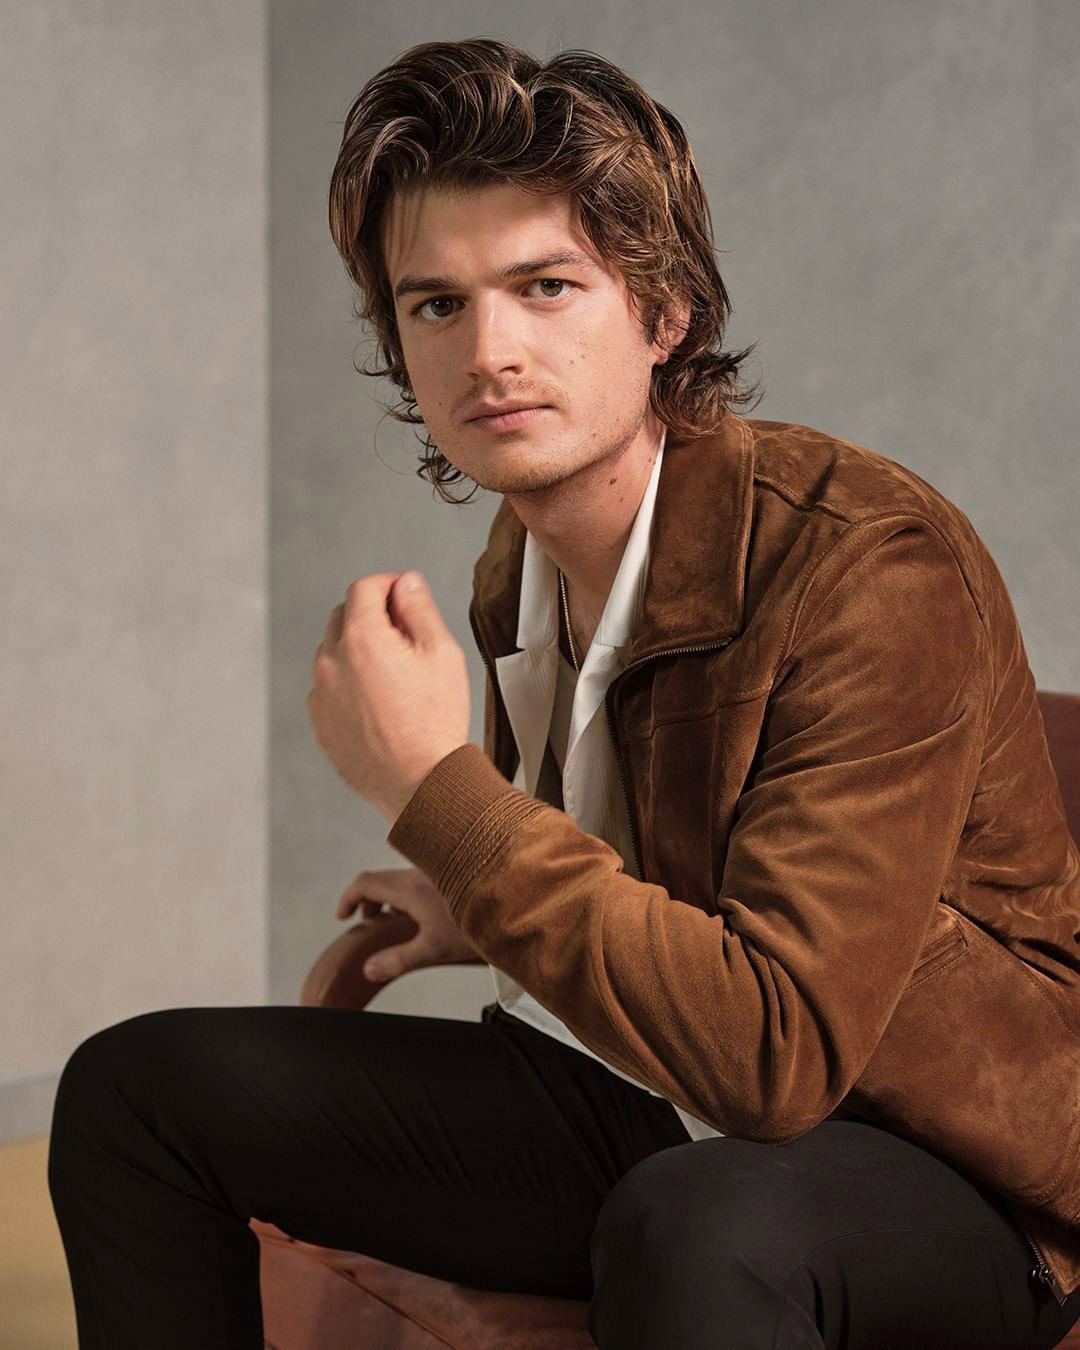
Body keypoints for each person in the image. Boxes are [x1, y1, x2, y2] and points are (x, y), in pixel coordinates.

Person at [48, 35, 1080, 1349]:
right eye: (436, 304)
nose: (489, 351)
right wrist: (476, 905)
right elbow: (664, 859)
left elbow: (779, 1057)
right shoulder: (520, 564)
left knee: (692, 1220)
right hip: (645, 1096)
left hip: (939, 1163)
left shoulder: (867, 563)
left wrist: (445, 801)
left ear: (666, 313)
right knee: (133, 1093)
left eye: (545, 287)